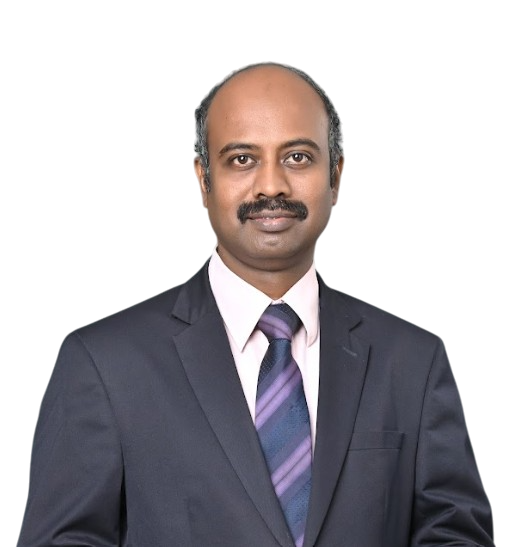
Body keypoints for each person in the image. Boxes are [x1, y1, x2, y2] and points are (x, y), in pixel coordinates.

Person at [18, 61, 494, 546]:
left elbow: (456, 535)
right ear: (203, 181)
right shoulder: (104, 364)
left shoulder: (414, 362)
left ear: (336, 177)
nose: (271, 186)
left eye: (298, 157)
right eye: (243, 159)